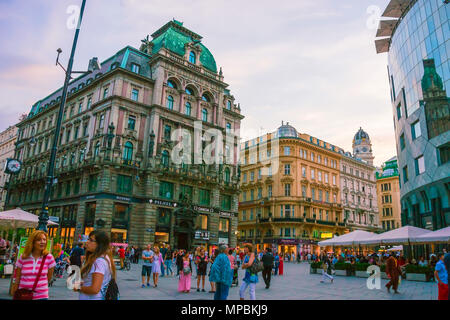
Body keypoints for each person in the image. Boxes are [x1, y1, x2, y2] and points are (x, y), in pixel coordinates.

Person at [12, 230, 56, 300]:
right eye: (39, 240)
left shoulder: (49, 257)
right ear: (32, 242)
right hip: (23, 294)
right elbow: (18, 276)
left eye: (44, 240)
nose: (42, 242)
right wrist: (15, 287)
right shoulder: (24, 257)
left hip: (41, 296)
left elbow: (49, 277)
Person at [77, 230, 116, 300]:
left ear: (100, 244)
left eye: (91, 240)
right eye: (88, 239)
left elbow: (95, 289)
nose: (87, 242)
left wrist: (78, 288)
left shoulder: (99, 262)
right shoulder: (104, 257)